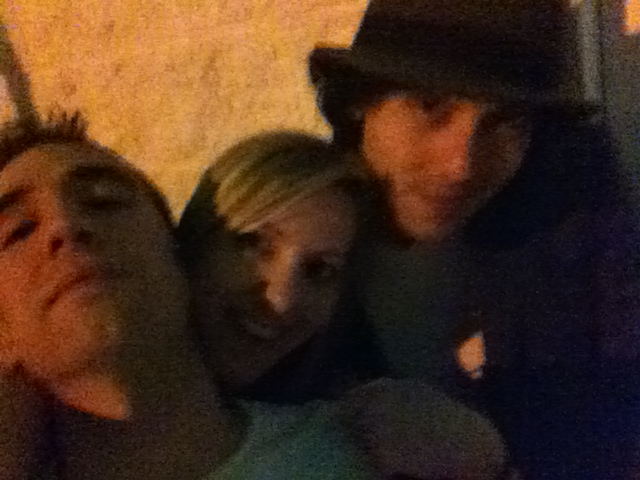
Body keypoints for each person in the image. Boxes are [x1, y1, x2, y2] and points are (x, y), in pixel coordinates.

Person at [0, 113, 510, 480]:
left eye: (104, 201)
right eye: (17, 230)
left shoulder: (366, 445)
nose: (66, 225)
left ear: (173, 249)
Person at [308, 0, 640, 478]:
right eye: (430, 105)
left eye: (506, 120)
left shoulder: (565, 235)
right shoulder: (284, 249)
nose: (461, 165)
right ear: (360, 100)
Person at [177, 131, 382, 404]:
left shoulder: (347, 422)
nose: (282, 300)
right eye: (254, 243)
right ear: (197, 238)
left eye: (321, 270)